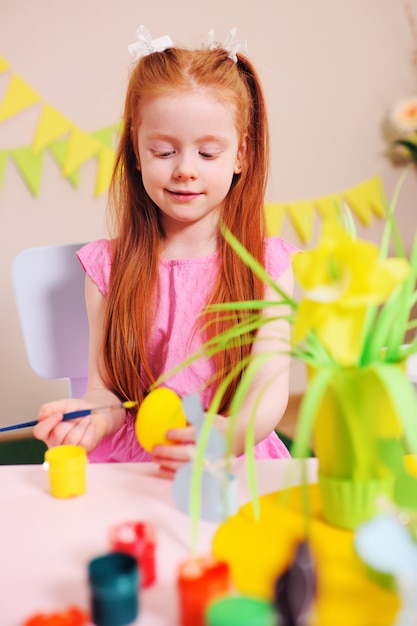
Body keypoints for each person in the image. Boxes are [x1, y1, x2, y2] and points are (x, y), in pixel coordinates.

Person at [34, 26, 298, 475]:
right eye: (163, 151)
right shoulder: (107, 267)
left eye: (209, 154)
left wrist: (224, 437)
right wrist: (91, 417)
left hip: (230, 454)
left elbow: (266, 394)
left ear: (241, 156)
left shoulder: (267, 265)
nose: (185, 171)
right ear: (136, 151)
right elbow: (107, 393)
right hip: (134, 461)